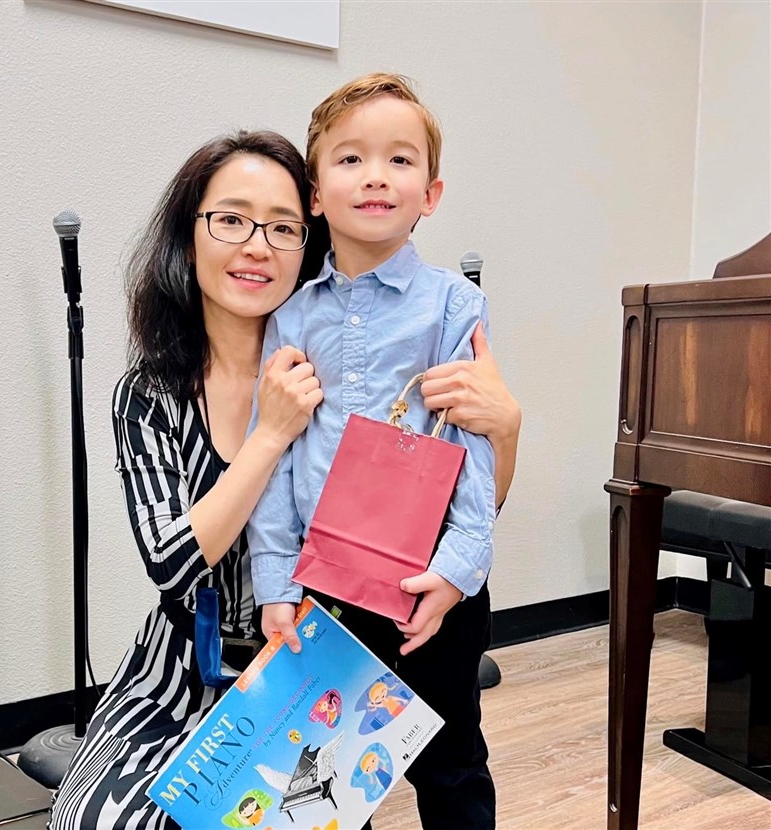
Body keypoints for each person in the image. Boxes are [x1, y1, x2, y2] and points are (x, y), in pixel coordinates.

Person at [49, 125, 519, 828]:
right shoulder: (150, 394)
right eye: (231, 220)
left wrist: (506, 430)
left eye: (281, 227)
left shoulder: (354, 364)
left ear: (311, 240)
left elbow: (451, 510)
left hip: (315, 660)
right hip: (182, 675)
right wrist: (270, 434)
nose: (257, 246)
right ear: (190, 235)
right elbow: (174, 566)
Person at [246, 74, 501, 829]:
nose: (376, 177)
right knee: (319, 766)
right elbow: (280, 455)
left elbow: (474, 443)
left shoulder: (457, 305)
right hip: (325, 582)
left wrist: (458, 571)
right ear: (316, 194)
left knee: (451, 761)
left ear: (433, 191)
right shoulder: (290, 317)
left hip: (433, 587)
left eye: (400, 160)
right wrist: (275, 581)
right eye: (350, 159)